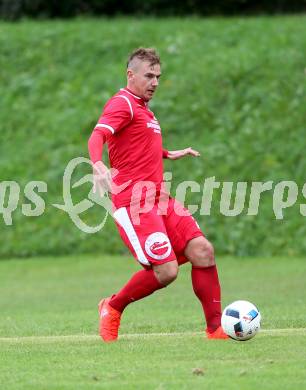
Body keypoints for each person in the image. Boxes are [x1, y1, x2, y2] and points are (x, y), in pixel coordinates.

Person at [88, 47, 228, 342]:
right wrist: (97, 163)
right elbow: (98, 135)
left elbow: (135, 146)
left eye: (158, 77)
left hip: (159, 198)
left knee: (203, 250)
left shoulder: (144, 110)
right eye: (148, 76)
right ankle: (112, 307)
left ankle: (216, 330)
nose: (154, 82)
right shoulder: (122, 103)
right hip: (134, 202)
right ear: (131, 75)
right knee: (166, 271)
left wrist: (166, 153)